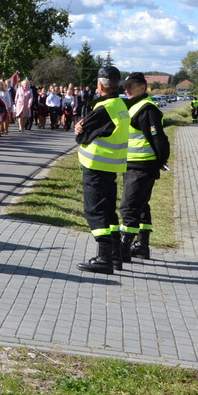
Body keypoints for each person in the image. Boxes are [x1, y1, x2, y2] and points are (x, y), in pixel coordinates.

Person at [75, 66, 129, 274]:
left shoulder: (104, 108)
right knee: (108, 211)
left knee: (95, 211)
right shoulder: (120, 105)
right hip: (111, 166)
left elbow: (82, 135)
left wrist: (79, 129)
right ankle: (115, 256)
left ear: (99, 85)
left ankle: (104, 258)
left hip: (95, 166)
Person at [119, 72, 170, 262]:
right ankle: (142, 246)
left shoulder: (147, 109)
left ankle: (124, 247)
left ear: (142, 87)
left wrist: (162, 160)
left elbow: (158, 137)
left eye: (130, 86)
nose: (127, 90)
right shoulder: (134, 106)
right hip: (133, 164)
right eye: (125, 87)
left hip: (142, 164)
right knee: (141, 205)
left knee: (129, 205)